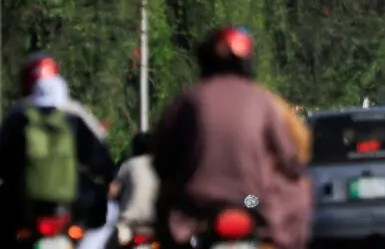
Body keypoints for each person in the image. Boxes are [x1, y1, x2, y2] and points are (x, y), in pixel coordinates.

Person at [152, 26, 312, 249]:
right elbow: (290, 159)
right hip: (250, 200)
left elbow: (162, 156)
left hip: (199, 204)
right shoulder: (263, 101)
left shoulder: (189, 100)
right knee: (299, 192)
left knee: (165, 202)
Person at [0, 56, 116, 246]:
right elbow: (100, 158)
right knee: (106, 217)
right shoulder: (75, 114)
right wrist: (110, 178)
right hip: (73, 204)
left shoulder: (17, 115)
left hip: (23, 205)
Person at [109, 131, 158, 246]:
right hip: (156, 223)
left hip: (128, 224)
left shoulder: (128, 165)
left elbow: (113, 192)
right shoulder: (162, 165)